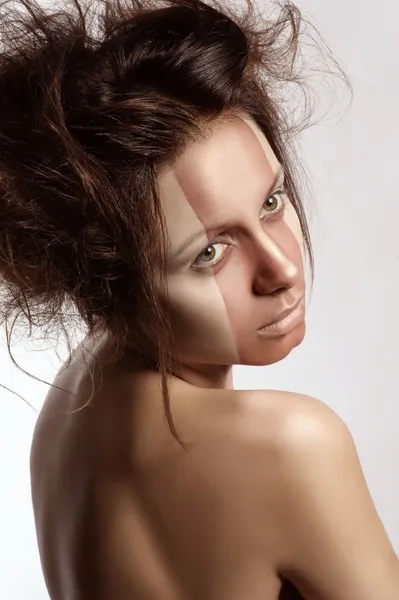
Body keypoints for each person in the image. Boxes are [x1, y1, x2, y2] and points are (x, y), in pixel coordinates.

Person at [0, 0, 398, 598]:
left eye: (271, 202)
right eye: (210, 253)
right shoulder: (290, 445)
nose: (283, 269)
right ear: (112, 278)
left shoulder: (72, 404)